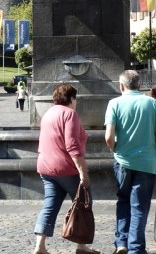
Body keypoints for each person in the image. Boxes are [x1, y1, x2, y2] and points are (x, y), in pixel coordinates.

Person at [105, 70, 156, 254]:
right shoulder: (151, 103)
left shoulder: (114, 103)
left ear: (121, 85)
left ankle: (121, 243)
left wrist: (115, 148)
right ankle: (136, 248)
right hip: (146, 164)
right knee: (139, 208)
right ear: (139, 85)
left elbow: (108, 136)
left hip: (122, 163)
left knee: (123, 202)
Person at [33, 84, 99, 254]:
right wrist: (83, 172)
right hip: (67, 169)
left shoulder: (48, 113)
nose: (76, 101)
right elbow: (72, 146)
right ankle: (81, 246)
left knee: (50, 205)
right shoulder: (70, 114)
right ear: (71, 98)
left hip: (46, 167)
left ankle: (40, 246)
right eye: (75, 98)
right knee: (84, 203)